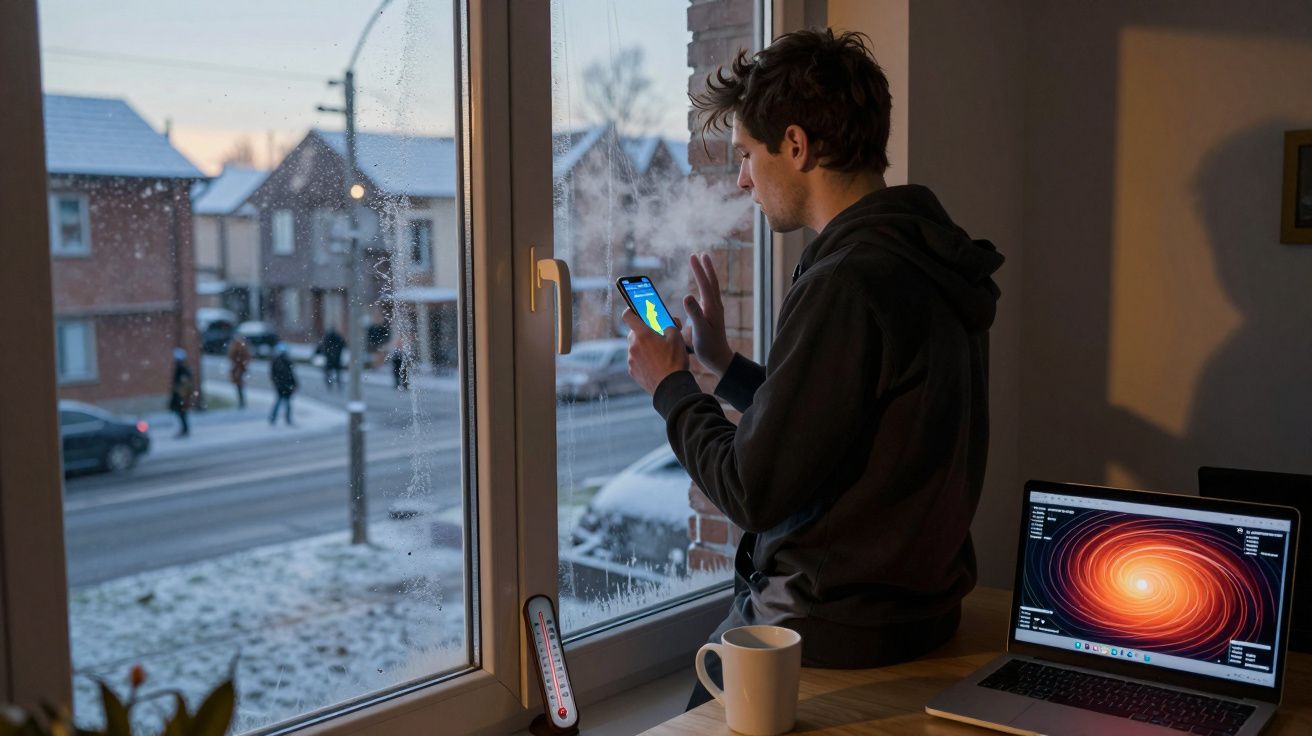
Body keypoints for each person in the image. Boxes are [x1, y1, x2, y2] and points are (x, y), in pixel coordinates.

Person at [620, 29, 1004, 709]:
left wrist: (670, 384)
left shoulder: (847, 281)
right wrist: (726, 367)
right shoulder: (926, 257)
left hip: (831, 629)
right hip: (918, 615)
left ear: (795, 146)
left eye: (745, 155)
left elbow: (752, 490)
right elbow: (848, 423)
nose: (741, 178)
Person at [269, 343, 297, 426]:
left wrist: (276, 383)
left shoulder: (275, 361)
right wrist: (294, 384)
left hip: (281, 385)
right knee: (286, 403)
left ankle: (273, 418)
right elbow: (290, 374)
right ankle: (286, 419)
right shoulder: (286, 361)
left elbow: (273, 375)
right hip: (286, 385)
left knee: (280, 402)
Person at [168, 347, 194, 438]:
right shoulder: (181, 368)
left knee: (182, 413)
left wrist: (182, 395)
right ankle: (184, 429)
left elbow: (185, 383)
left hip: (181, 395)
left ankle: (185, 429)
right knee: (181, 413)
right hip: (179, 395)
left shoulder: (182, 369)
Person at [318, 326, 346, 390]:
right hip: (337, 359)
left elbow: (322, 347)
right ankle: (338, 385)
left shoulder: (327, 338)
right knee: (337, 373)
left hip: (330, 359)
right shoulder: (338, 338)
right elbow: (344, 344)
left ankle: (330, 384)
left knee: (328, 373)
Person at [227, 335, 251, 409]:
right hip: (238, 368)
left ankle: (241, 401)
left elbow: (231, 356)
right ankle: (241, 401)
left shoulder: (239, 348)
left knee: (239, 385)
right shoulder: (240, 348)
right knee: (239, 385)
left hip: (239, 368)